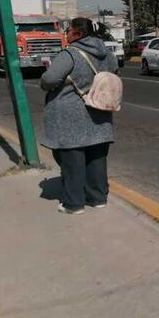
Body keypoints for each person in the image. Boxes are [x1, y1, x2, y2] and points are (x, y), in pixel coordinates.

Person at [40, 17, 118, 214]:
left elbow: (49, 79)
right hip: (100, 111)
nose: (66, 34)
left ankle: (73, 204)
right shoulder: (107, 53)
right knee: (97, 159)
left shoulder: (70, 54)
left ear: (77, 33)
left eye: (68, 30)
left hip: (71, 116)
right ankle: (98, 198)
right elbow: (114, 70)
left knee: (72, 160)